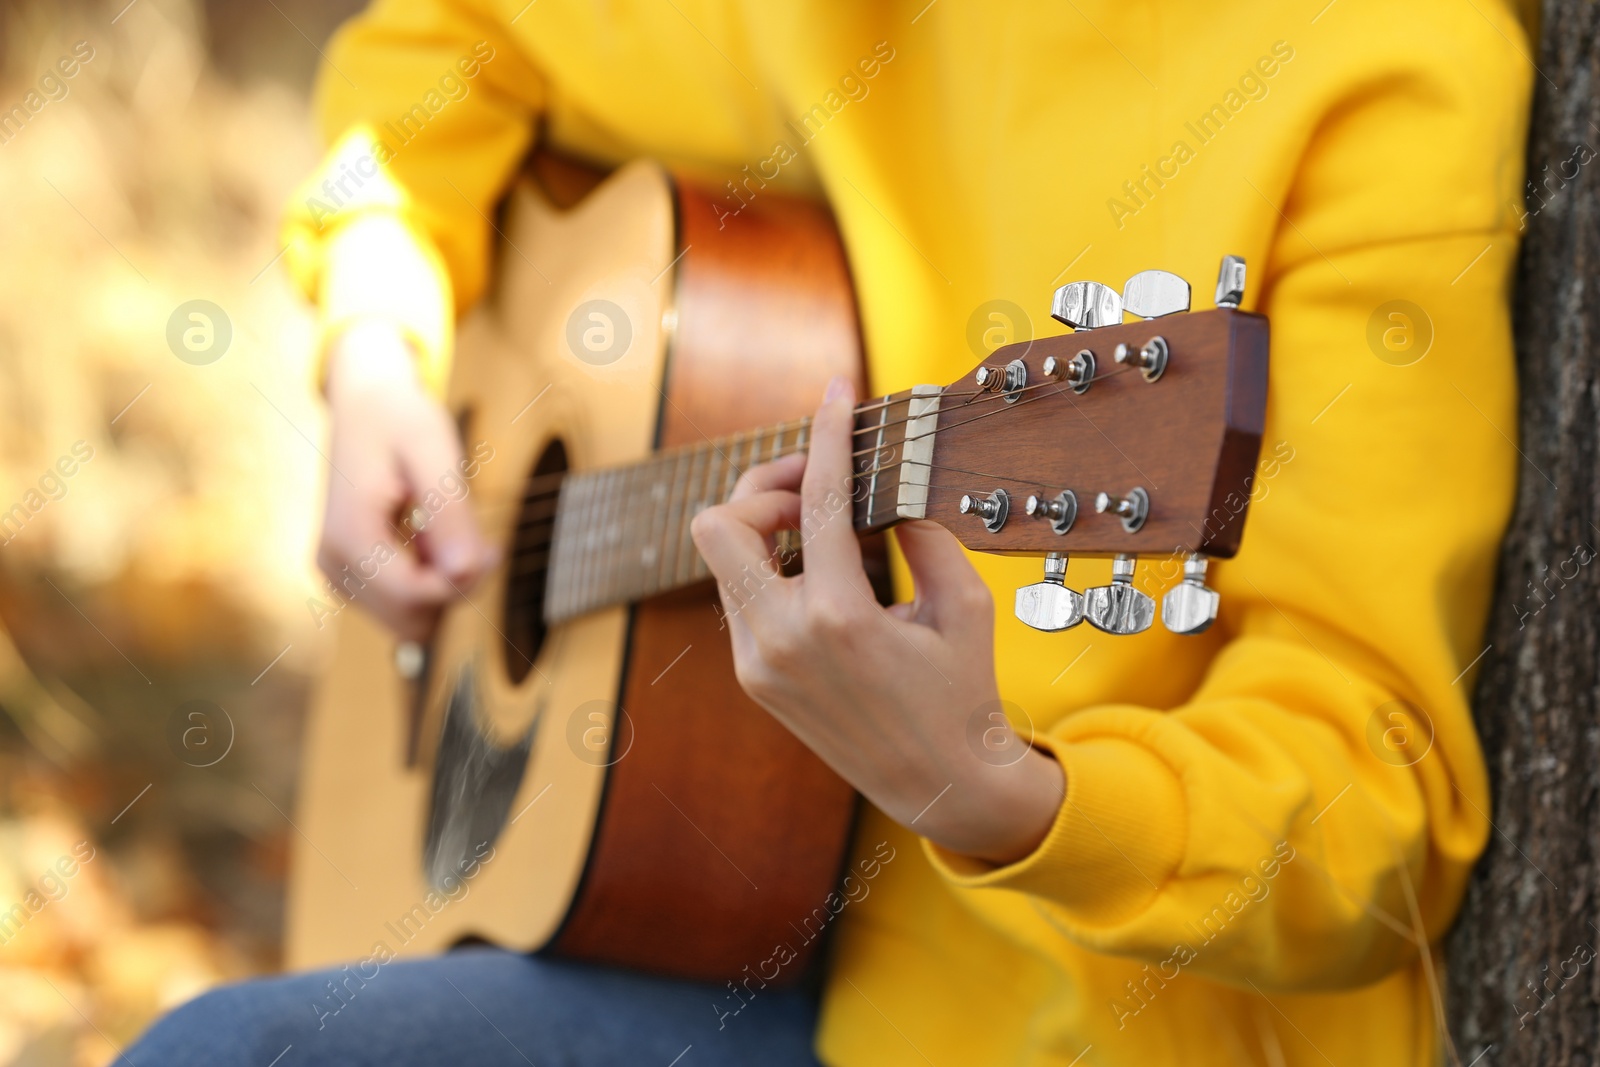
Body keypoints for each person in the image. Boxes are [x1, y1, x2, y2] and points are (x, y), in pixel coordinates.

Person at [130, 0, 1532, 1063]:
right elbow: (451, 47)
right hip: (696, 921)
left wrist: (1001, 794)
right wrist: (377, 345)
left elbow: (1376, 808)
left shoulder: (1379, 70)